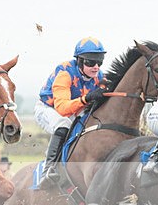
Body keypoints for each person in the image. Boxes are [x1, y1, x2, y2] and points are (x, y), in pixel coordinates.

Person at [35, 36, 109, 182]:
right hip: (49, 109)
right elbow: (62, 108)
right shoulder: (65, 73)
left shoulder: (99, 75)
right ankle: (48, 170)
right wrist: (86, 99)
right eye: (90, 62)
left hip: (73, 110)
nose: (96, 66)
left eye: (99, 62)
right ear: (79, 61)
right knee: (63, 125)